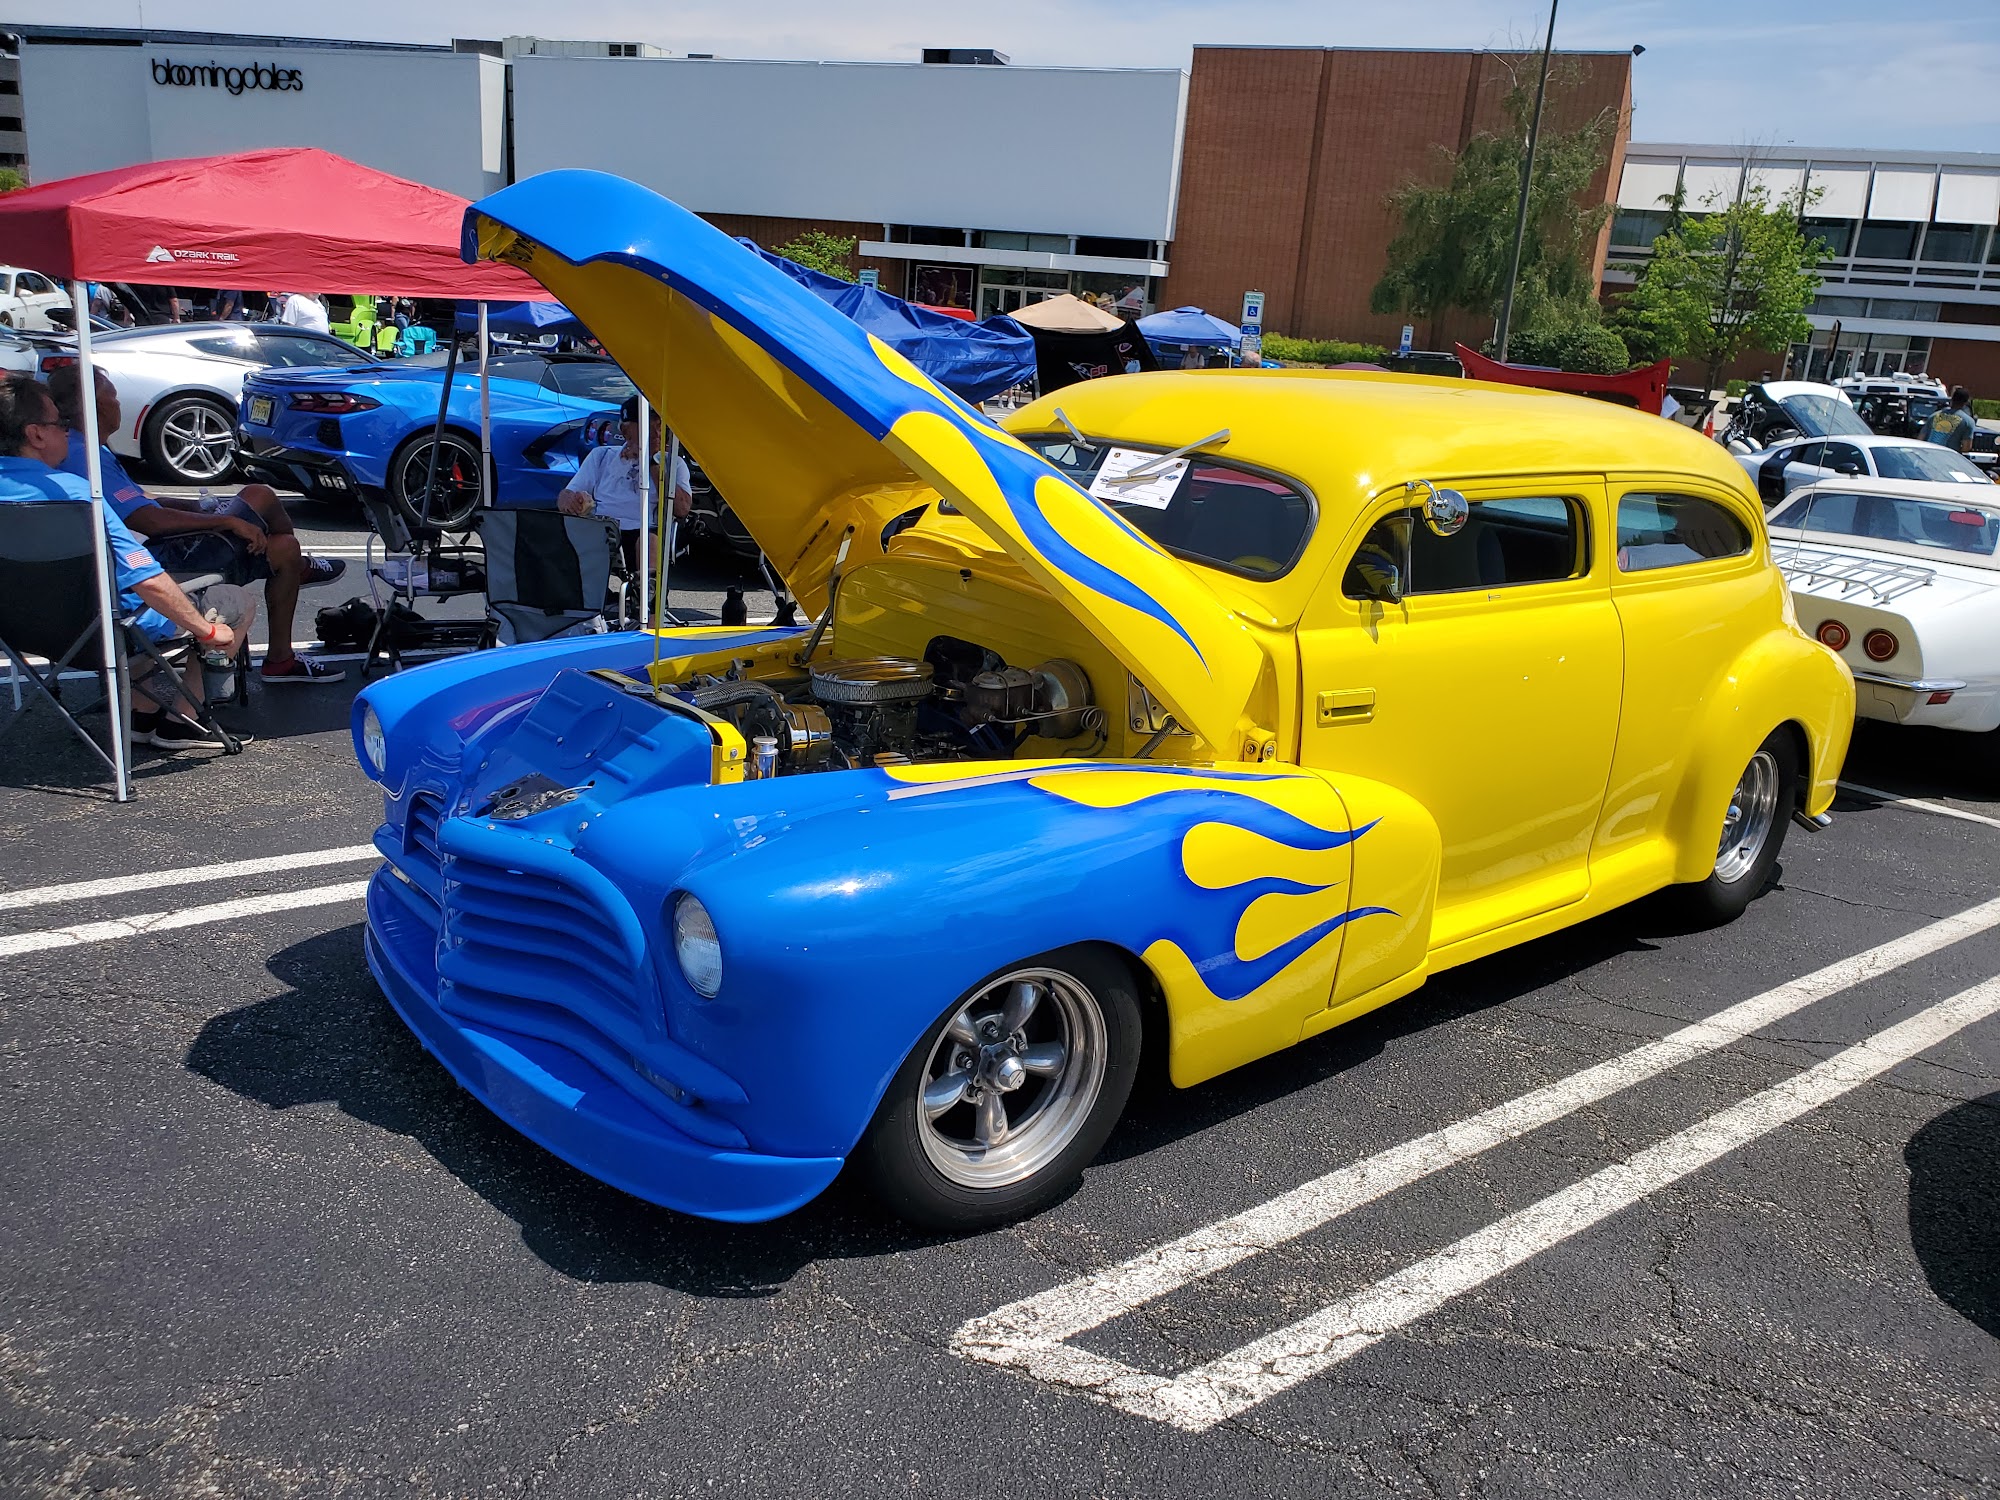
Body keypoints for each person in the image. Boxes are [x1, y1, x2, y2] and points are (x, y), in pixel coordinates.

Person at [49, 365, 347, 684]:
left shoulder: (85, 449)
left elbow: (140, 498)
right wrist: (225, 520)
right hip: (155, 566)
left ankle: (284, 641)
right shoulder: (85, 455)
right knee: (261, 498)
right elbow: (148, 520)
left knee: (283, 547)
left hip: (140, 561)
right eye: (113, 395)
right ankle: (298, 574)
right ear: (96, 405)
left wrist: (198, 508)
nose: (118, 402)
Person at [0, 374, 249, 750]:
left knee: (130, 606)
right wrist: (208, 631)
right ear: (35, 434)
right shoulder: (80, 496)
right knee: (232, 601)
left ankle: (141, 713)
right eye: (60, 423)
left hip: (20, 634)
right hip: (99, 635)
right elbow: (147, 580)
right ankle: (185, 721)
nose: (68, 431)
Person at [557, 394, 693, 576]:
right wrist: (571, 500)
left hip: (644, 529)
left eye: (660, 426)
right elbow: (565, 496)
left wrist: (651, 462)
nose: (657, 433)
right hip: (603, 527)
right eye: (648, 426)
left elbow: (682, 509)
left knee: (649, 541)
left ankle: (648, 589)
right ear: (625, 431)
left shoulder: (673, 463)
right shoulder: (602, 456)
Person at [1923, 387, 1977, 453]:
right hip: (1949, 457)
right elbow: (1966, 447)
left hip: (1929, 455)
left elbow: (1921, 438)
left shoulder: (1933, 416)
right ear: (1966, 402)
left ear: (1952, 399)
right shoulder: (1968, 421)